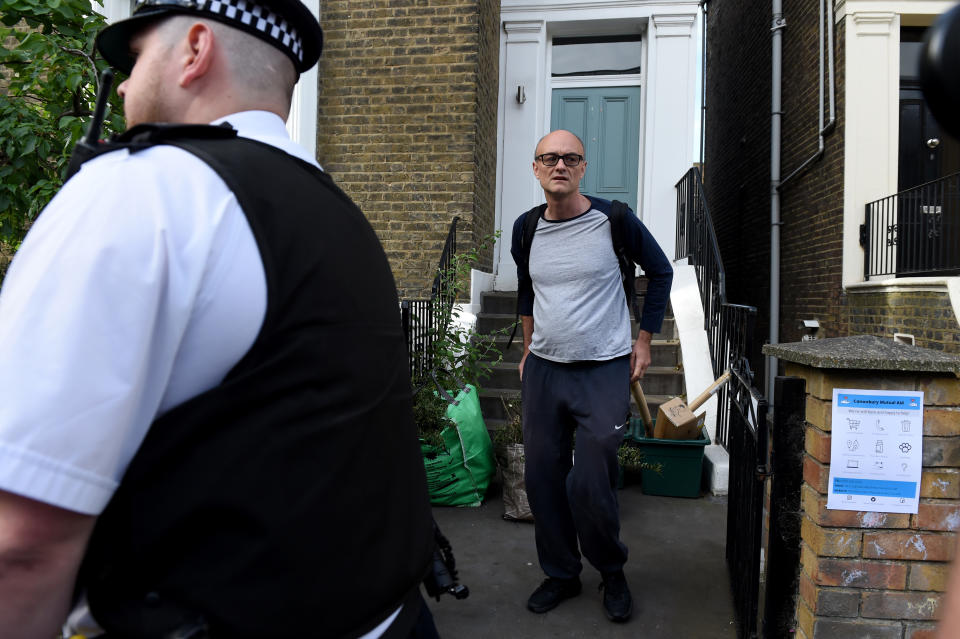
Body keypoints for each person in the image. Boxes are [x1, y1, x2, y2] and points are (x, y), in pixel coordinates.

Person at [0, 1, 438, 637]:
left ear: (195, 49)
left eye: (137, 55)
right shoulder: (340, 211)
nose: (122, 83)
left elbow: (22, 542)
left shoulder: (143, 189)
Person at [511, 129, 673, 623]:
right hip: (545, 368)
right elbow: (525, 290)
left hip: (603, 366)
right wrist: (526, 347)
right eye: (549, 158)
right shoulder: (525, 228)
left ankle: (611, 571)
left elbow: (660, 271)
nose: (559, 166)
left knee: (591, 478)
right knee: (541, 477)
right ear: (536, 169)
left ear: (582, 168)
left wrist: (642, 341)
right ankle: (561, 574)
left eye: (570, 158)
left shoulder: (613, 219)